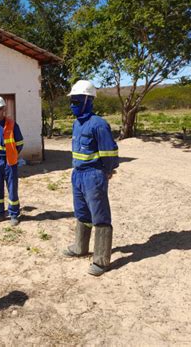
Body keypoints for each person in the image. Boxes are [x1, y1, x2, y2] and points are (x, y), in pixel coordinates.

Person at [63, 80, 119, 276]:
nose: (73, 105)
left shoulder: (99, 124)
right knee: (81, 212)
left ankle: (102, 260)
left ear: (88, 100)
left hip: (93, 175)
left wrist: (107, 171)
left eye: (77, 101)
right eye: (72, 101)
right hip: (77, 175)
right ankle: (80, 247)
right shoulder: (76, 124)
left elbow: (109, 153)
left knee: (100, 215)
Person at [0, 96, 24, 226]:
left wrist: (13, 155)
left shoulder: (13, 125)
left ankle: (14, 214)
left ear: (4, 109)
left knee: (12, 189)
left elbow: (19, 144)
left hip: (9, 162)